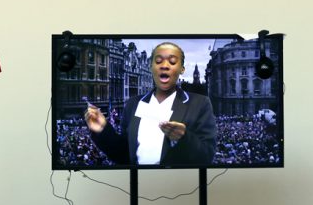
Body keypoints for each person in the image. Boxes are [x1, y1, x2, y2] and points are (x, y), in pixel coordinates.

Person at [84, 42, 216, 167]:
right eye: (158, 61)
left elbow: (207, 156)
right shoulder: (133, 104)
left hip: (180, 184)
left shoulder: (200, 103)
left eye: (172, 62)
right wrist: (103, 130)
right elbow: (124, 155)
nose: (164, 65)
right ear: (151, 67)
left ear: (182, 69)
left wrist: (185, 137)